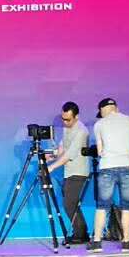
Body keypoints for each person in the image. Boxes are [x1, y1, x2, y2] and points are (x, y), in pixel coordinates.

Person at [89, 97, 129, 252]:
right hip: (127, 166)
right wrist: (128, 161)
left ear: (102, 110)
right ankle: (126, 242)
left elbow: (100, 151)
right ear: (116, 108)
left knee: (102, 206)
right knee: (127, 206)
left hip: (107, 167)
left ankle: (97, 242)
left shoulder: (99, 124)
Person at [47, 101, 91, 245]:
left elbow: (70, 154)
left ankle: (80, 234)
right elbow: (63, 147)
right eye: (63, 119)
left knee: (69, 204)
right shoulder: (67, 128)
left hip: (78, 172)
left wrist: (52, 167)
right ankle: (82, 233)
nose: (65, 122)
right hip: (69, 172)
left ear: (76, 116)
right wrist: (52, 156)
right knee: (71, 203)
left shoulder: (81, 131)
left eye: (68, 119)